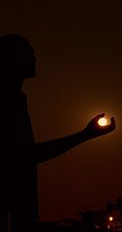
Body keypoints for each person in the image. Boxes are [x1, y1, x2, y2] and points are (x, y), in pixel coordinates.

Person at [0, 34, 116, 232]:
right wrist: (86, 135)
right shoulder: (5, 101)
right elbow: (25, 155)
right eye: (28, 52)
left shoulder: (16, 99)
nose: (34, 58)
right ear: (12, 57)